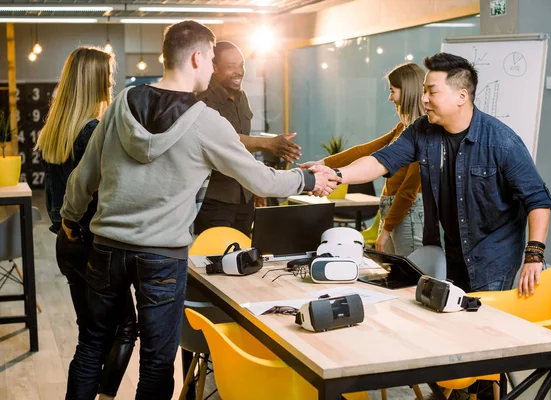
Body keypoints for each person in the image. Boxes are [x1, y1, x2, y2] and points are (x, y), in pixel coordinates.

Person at [59, 21, 338, 400]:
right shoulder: (206, 120)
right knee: (156, 363)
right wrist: (307, 181)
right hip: (161, 256)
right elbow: (261, 181)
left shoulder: (121, 104)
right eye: (210, 57)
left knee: (91, 347)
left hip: (107, 249)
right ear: (196, 57)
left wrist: (71, 221)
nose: (210, 67)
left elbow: (84, 176)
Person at [312, 52, 551, 296]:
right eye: (423, 91)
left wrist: (533, 256)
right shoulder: (423, 130)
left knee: (480, 326)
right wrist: (336, 174)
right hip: (452, 252)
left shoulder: (501, 142)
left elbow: (538, 200)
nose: (424, 99)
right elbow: (380, 161)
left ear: (461, 96)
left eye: (432, 92)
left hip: (493, 256)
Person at [35, 47, 137, 400]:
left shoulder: (56, 130)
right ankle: (106, 397)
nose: (111, 82)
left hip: (66, 244)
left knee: (90, 335)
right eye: (107, 76)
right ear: (95, 81)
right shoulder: (92, 131)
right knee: (125, 327)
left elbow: (56, 201)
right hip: (95, 246)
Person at [300, 62, 425, 256]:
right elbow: (365, 150)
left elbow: (409, 191)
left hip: (406, 215)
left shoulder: (423, 134)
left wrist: (386, 230)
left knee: (407, 279)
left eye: (393, 91)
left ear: (407, 91)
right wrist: (323, 164)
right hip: (393, 212)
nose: (390, 97)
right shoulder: (404, 128)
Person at [195, 41, 302, 235]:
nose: (239, 71)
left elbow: (244, 150)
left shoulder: (241, 97)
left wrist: (254, 187)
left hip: (243, 197)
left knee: (242, 258)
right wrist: (267, 143)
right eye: (231, 66)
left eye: (241, 65)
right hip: (216, 199)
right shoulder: (203, 101)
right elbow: (225, 142)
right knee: (215, 259)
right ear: (214, 67)